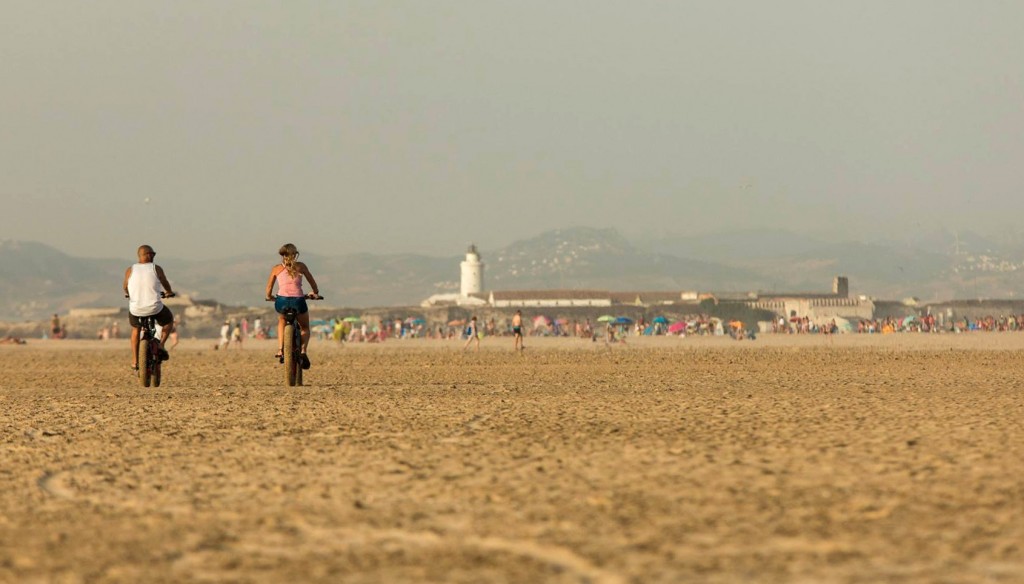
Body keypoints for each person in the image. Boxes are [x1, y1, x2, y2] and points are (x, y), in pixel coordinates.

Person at [265, 243, 321, 368]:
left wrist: (269, 297)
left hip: (281, 301)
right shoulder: (301, 266)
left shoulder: (276, 269)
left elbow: (269, 288)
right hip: (298, 301)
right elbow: (312, 282)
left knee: (281, 320)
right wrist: (315, 293)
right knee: (305, 327)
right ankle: (303, 351)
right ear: (295, 255)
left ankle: (280, 349)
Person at [123, 245, 175, 371]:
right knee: (168, 321)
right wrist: (168, 291)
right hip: (154, 308)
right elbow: (164, 281)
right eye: (152, 254)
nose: (153, 256)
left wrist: (129, 294)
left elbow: (125, 286)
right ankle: (161, 345)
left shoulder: (130, 270)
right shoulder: (155, 268)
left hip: (136, 309)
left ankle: (135, 361)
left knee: (136, 329)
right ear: (146, 254)